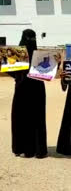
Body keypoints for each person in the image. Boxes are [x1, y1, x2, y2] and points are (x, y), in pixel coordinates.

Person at [10, 29, 47, 158]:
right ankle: (37, 148)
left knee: (21, 117)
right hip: (36, 89)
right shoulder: (39, 55)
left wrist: (18, 76)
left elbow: (10, 71)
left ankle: (21, 147)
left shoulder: (17, 53)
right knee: (35, 117)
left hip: (22, 88)